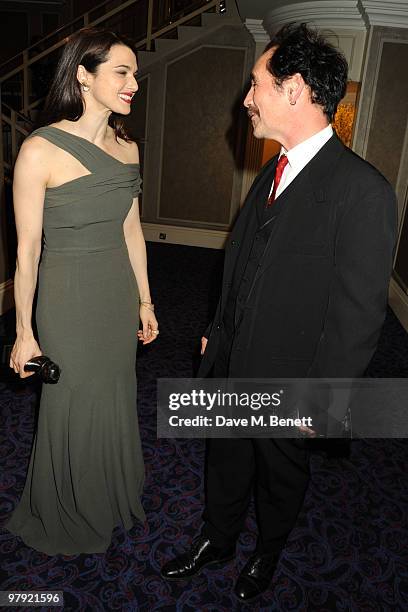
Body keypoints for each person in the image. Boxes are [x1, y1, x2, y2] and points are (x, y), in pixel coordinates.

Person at [160, 23, 397, 601]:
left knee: (280, 474)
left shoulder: (364, 191)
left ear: (294, 90)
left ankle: (267, 552)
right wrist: (216, 332)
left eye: (256, 83)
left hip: (293, 378)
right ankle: (217, 538)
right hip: (236, 355)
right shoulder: (274, 166)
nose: (246, 98)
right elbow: (241, 261)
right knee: (226, 456)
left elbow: (358, 317)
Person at [5, 27, 158, 555]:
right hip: (67, 299)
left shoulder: (129, 148)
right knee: (72, 401)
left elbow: (132, 230)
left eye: (134, 73)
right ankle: (68, 506)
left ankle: (111, 490)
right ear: (83, 76)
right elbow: (25, 252)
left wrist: (145, 299)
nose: (133, 83)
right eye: (122, 72)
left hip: (115, 294)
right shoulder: (39, 150)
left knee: (114, 393)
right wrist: (24, 333)